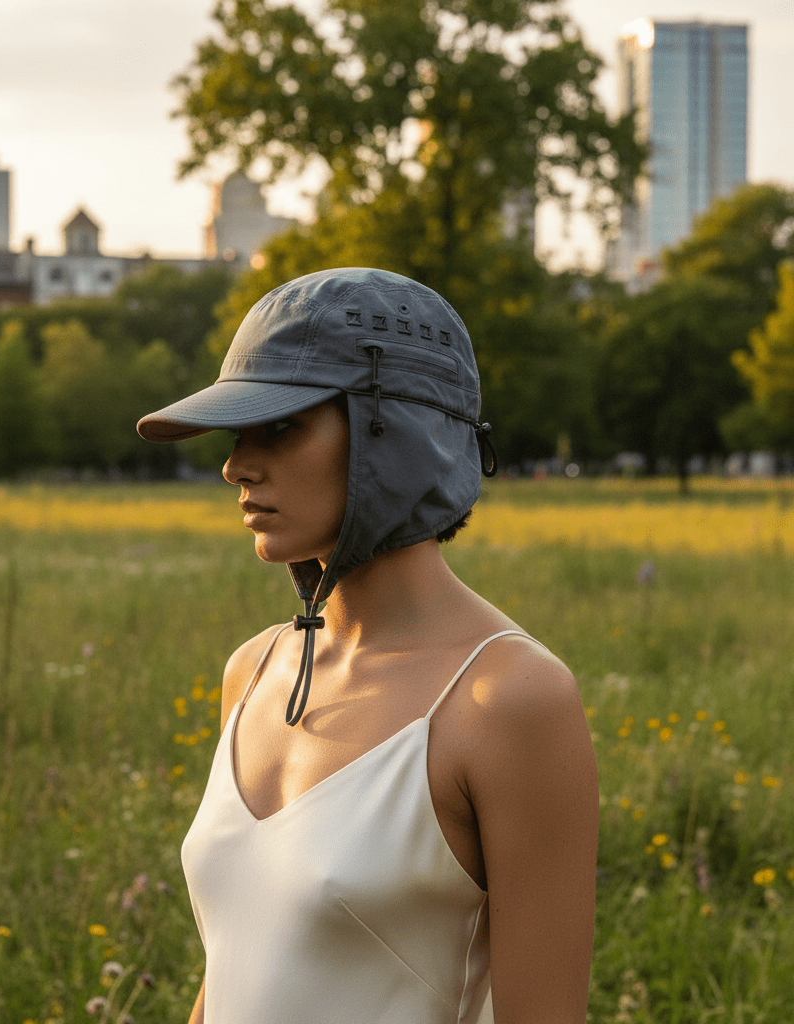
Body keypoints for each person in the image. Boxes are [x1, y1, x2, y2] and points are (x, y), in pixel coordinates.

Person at [137, 268, 598, 1024]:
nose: (235, 466)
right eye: (237, 433)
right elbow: (231, 974)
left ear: (399, 435)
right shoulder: (255, 672)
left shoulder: (510, 700)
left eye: (279, 426)